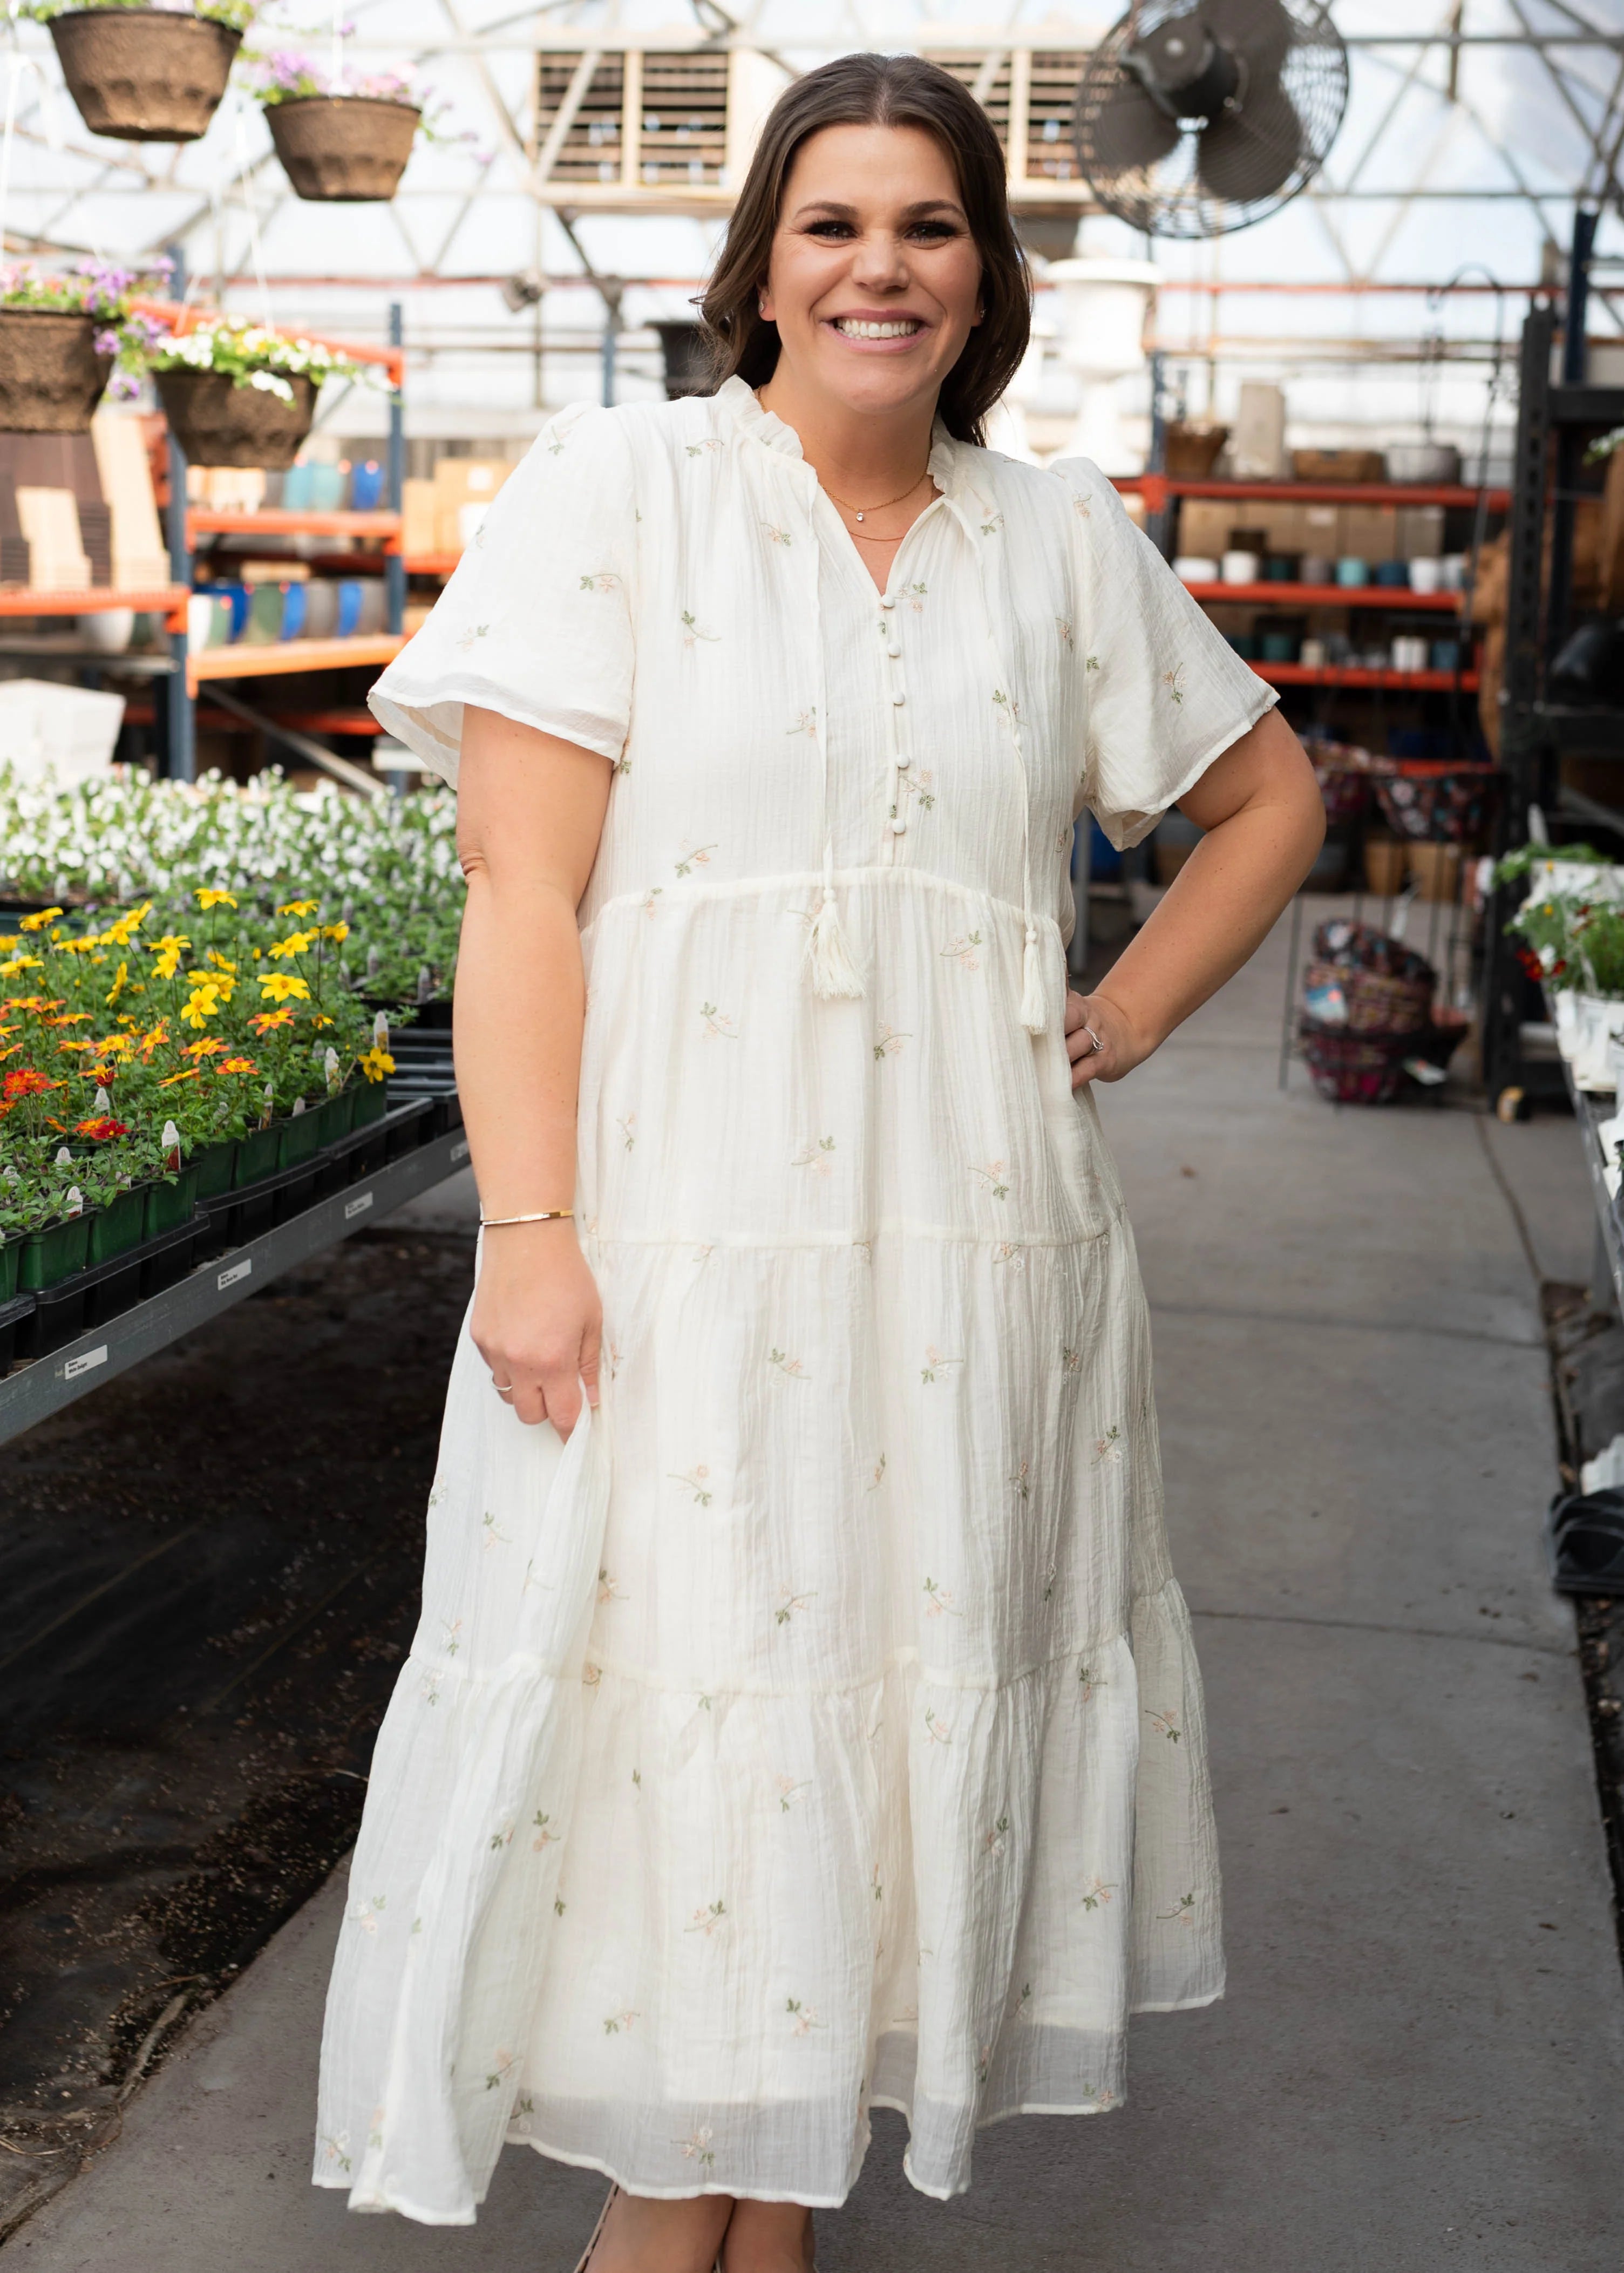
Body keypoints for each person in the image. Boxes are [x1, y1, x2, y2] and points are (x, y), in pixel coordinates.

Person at [314, 50, 1324, 2273]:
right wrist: (530, 1235)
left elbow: (1270, 802)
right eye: (837, 224)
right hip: (680, 1254)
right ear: (763, 263)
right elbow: (520, 898)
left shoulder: (1061, 540)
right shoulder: (624, 492)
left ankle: (771, 2231)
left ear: (986, 272)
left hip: (975, 1269)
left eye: (930, 226)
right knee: (692, 1755)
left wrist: (1129, 1010)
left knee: (880, 1740)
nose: (885, 267)